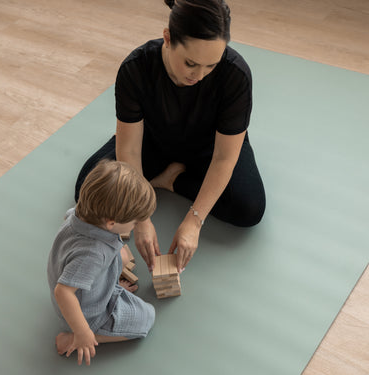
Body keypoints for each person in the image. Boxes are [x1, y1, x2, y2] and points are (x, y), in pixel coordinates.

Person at [75, 0, 266, 274]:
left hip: (210, 149)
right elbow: (128, 148)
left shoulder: (236, 74)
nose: (199, 75)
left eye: (211, 65)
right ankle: (163, 177)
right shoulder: (136, 67)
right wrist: (141, 217)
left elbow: (225, 157)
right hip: (153, 142)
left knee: (250, 208)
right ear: (167, 38)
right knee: (87, 186)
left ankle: (172, 180)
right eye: (191, 63)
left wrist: (194, 220)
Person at [48, 160, 156, 366]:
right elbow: (63, 292)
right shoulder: (92, 254)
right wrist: (82, 332)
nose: (135, 226)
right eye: (134, 222)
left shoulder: (79, 213)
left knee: (122, 254)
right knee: (147, 318)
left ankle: (109, 288)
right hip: (87, 314)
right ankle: (71, 340)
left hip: (80, 279)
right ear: (111, 223)